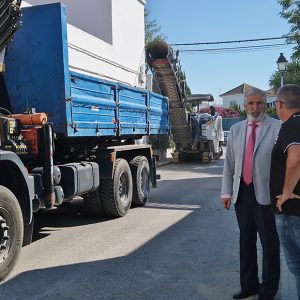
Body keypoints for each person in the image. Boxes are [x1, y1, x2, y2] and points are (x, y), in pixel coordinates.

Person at [221, 87, 281, 300]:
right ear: (245, 105)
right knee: (246, 241)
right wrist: (226, 191)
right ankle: (249, 286)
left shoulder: (278, 127)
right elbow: (229, 164)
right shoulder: (236, 130)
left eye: (259, 103)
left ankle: (268, 290)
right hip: (242, 193)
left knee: (269, 243)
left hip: (266, 193)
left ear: (266, 104)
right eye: (251, 104)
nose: (255, 108)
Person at [270, 84, 300, 299]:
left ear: (280, 105)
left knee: (298, 268)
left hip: (293, 212)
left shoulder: (290, 126)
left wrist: (287, 191)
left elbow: (297, 158)